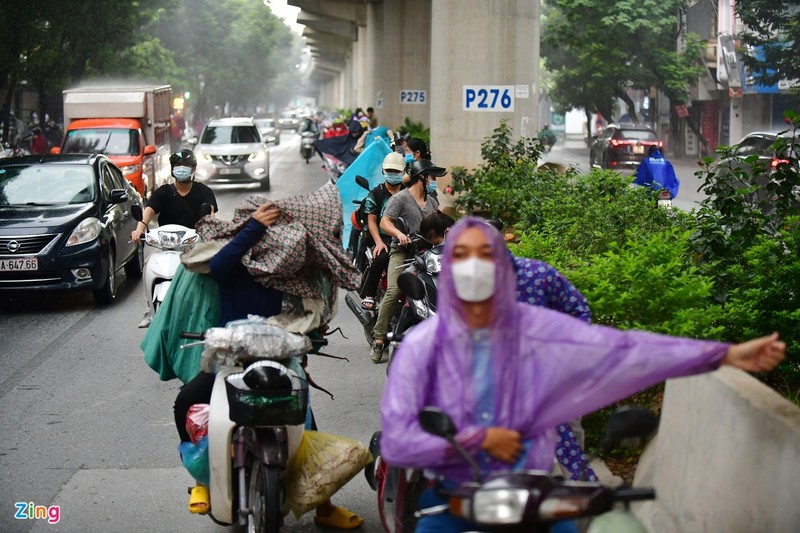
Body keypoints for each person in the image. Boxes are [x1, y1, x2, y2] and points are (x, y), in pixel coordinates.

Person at [380, 216, 785, 532]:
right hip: (453, 504)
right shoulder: (422, 346)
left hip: (534, 500)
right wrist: (479, 439)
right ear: (446, 265)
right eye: (461, 255)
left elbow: (628, 350)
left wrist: (724, 355)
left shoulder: (540, 332)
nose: (473, 266)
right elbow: (398, 442)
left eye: (486, 255)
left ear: (505, 265)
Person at [174, 199, 364, 528]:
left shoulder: (288, 272)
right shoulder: (233, 263)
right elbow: (219, 266)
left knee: (306, 424)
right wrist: (254, 228)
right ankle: (202, 481)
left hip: (279, 358)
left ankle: (324, 506)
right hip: (233, 360)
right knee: (185, 402)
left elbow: (312, 291)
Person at [131, 149, 218, 328]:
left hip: (194, 245)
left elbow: (209, 211)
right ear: (172, 169)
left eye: (186, 166)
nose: (182, 170)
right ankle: (149, 309)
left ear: (193, 169)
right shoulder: (163, 192)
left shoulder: (203, 191)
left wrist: (209, 228)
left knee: (212, 269)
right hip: (167, 245)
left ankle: (209, 307)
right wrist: (139, 229)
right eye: (178, 166)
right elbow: (149, 211)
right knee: (149, 264)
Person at [370, 159, 447, 363]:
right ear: (421, 177)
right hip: (402, 252)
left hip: (427, 254)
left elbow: (439, 226)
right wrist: (399, 234)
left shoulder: (432, 202)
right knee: (395, 290)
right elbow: (385, 221)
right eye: (431, 177)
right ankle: (378, 338)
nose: (433, 182)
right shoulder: (400, 198)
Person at [360, 152, 406, 311]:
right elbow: (372, 221)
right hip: (385, 237)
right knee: (380, 258)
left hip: (407, 237)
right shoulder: (376, 193)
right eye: (390, 171)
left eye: (397, 171)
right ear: (384, 172)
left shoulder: (409, 192)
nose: (393, 175)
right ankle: (370, 294)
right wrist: (378, 242)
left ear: (403, 172)